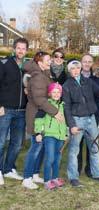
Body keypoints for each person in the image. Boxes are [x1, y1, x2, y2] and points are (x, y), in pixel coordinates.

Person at [22, 51, 64, 189]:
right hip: (36, 116)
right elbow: (40, 99)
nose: (50, 61)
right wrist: (55, 112)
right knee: (35, 147)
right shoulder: (38, 77)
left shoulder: (44, 74)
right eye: (47, 60)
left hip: (42, 114)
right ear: (40, 63)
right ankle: (27, 178)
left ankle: (34, 174)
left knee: (40, 148)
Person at [63, 59, 99, 187]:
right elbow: (66, 107)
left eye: (77, 68)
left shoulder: (88, 81)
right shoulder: (66, 86)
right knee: (74, 150)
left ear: (80, 69)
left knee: (94, 147)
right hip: (77, 120)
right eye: (73, 68)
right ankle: (73, 177)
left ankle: (96, 173)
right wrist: (71, 125)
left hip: (91, 119)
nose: (75, 70)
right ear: (69, 70)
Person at [0, 38, 29, 185]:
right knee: (0, 142)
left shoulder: (28, 66)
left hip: (22, 111)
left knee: (17, 143)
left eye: (23, 49)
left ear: (26, 50)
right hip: (6, 109)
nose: (21, 51)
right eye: (18, 48)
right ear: (14, 49)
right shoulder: (4, 63)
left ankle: (9, 168)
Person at [34, 82, 67, 190]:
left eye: (58, 92)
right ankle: (47, 180)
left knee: (57, 158)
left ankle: (55, 178)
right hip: (49, 135)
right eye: (54, 92)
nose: (56, 94)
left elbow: (63, 121)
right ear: (49, 93)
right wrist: (38, 132)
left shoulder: (62, 105)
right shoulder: (46, 105)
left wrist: (65, 134)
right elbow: (39, 119)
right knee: (50, 158)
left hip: (60, 136)